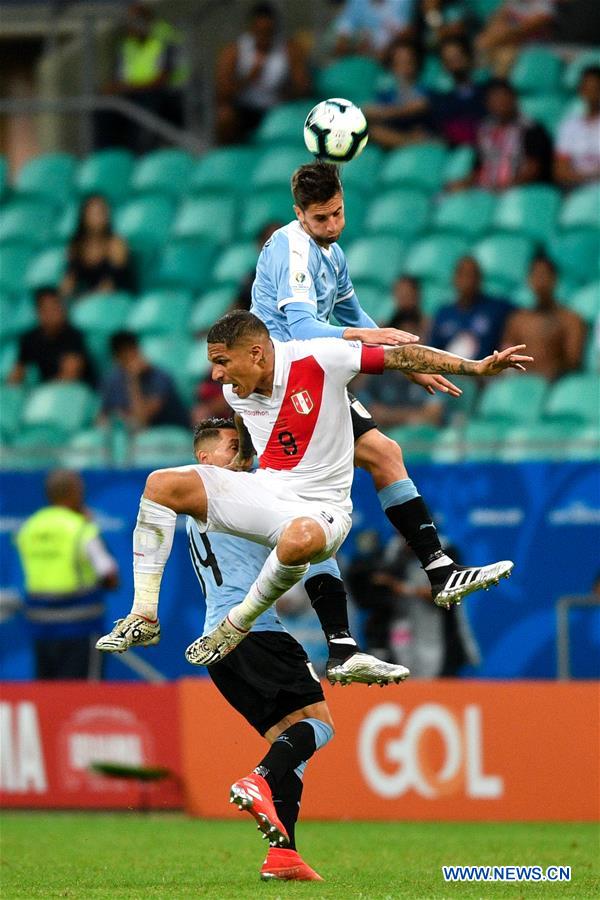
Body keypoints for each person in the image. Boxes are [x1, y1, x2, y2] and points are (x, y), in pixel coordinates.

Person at [95, 309, 529, 674]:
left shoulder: (320, 358)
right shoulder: (236, 389)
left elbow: (401, 356)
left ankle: (237, 623)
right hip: (266, 491)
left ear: (257, 353)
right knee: (160, 484)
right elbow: (248, 418)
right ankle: (144, 614)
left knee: (300, 538)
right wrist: (244, 457)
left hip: (323, 509)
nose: (216, 374)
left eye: (222, 361)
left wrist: (474, 369)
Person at [248, 163, 514, 622]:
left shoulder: (332, 254)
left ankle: (439, 570)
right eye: (319, 219)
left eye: (337, 214)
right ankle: (337, 640)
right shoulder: (292, 250)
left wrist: (409, 366)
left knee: (385, 453)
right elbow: (303, 327)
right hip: (278, 389)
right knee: (310, 513)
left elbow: (357, 318)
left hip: (311, 378)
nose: (331, 226)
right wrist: (366, 340)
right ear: (299, 214)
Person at [186, 418, 331, 880]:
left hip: (219, 645)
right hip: (256, 633)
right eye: (233, 446)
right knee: (318, 727)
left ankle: (283, 856)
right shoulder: (238, 495)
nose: (243, 452)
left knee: (288, 744)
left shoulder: (195, 507)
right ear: (205, 460)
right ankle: (257, 781)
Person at [15, 469, 119, 680]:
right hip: (80, 627)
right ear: (75, 492)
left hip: (41, 626)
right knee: (83, 698)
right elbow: (109, 574)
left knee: (50, 696)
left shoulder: (29, 527)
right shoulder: (81, 528)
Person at [216, 2, 311, 144]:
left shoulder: (289, 49)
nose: (264, 37)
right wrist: (248, 78)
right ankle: (228, 154)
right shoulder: (234, 51)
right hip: (245, 108)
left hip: (276, 109)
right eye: (259, 32)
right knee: (225, 116)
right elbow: (221, 93)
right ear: (251, 29)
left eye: (268, 32)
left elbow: (303, 86)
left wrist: (289, 89)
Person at [95, 2, 184, 153]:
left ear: (148, 21)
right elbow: (117, 80)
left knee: (146, 102)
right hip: (134, 95)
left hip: (169, 97)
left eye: (136, 21)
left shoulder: (165, 40)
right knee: (104, 106)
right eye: (129, 22)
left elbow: (162, 80)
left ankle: (140, 156)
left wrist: (127, 87)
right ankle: (106, 158)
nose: (131, 26)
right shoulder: (126, 45)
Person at [450, 79, 553, 191]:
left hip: (518, 192)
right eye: (494, 99)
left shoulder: (531, 129)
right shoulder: (484, 130)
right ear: (487, 104)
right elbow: (478, 167)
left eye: (503, 97)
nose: (500, 103)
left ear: (514, 98)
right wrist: (465, 184)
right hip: (486, 192)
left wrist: (505, 188)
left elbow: (533, 169)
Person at [501, 256, 587, 380]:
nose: (540, 282)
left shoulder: (571, 320)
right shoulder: (517, 320)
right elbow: (505, 358)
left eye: (544, 275)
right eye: (536, 275)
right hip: (520, 386)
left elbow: (573, 362)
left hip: (555, 387)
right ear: (529, 280)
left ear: (554, 279)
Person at [98, 330, 189, 429]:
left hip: (170, 432)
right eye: (124, 357)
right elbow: (101, 419)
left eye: (133, 353)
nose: (130, 360)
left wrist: (133, 379)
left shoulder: (160, 377)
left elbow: (142, 419)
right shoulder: (112, 380)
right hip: (133, 435)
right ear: (116, 359)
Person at [429, 256, 514, 359]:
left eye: (472, 274)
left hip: (486, 372)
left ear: (480, 278)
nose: (467, 280)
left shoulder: (497, 308)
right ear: (454, 278)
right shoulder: (443, 313)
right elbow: (432, 351)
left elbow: (521, 319)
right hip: (449, 372)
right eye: (463, 274)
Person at [8, 287, 95, 386]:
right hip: (46, 394)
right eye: (50, 308)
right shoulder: (29, 338)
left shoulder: (75, 336)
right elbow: (17, 373)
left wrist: (39, 394)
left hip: (77, 391)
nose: (56, 312)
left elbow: (70, 375)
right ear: (39, 313)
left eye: (58, 306)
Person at [61, 195, 133, 301]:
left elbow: (109, 286)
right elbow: (68, 284)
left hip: (115, 301)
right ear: (84, 216)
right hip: (86, 300)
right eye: (94, 213)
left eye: (102, 212)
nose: (99, 217)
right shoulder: (76, 246)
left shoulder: (116, 244)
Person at [363, 39, 432, 149]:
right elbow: (368, 110)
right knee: (373, 131)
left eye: (407, 61)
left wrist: (386, 112)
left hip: (417, 128)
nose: (403, 66)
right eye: (398, 62)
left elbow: (420, 106)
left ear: (416, 63)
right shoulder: (387, 89)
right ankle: (409, 143)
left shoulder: (423, 87)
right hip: (395, 131)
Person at [430, 37, 487, 147]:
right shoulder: (441, 99)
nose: (455, 64)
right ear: (444, 65)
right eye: (449, 60)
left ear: (468, 57)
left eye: (457, 57)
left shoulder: (487, 89)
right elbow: (446, 129)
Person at [476, 0, 557, 76]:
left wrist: (494, 39)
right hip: (508, 43)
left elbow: (523, 31)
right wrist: (491, 37)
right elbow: (496, 22)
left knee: (505, 57)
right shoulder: (511, 2)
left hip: (535, 49)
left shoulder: (545, 4)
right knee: (481, 45)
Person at [554, 65, 600, 188]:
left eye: (596, 88)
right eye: (588, 87)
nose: (592, 92)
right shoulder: (569, 126)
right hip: (576, 190)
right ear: (581, 90)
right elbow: (561, 172)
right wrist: (591, 177)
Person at [332, 0, 415, 58]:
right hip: (363, 58)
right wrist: (356, 50)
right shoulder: (356, 2)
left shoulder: (402, 2)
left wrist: (386, 50)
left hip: (391, 57)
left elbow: (407, 34)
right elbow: (341, 38)